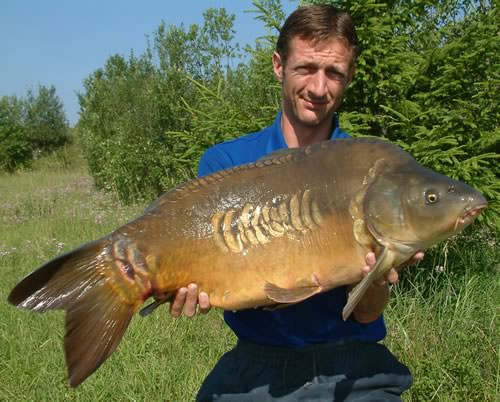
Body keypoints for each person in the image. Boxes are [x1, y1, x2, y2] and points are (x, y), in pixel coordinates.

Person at [170, 5, 423, 401]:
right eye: (306, 68)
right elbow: (220, 284)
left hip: (352, 368)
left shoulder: (370, 171)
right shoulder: (228, 164)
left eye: (334, 73)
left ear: (349, 76)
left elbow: (368, 313)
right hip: (257, 367)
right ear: (278, 65)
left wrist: (379, 274)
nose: (319, 89)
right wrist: (186, 285)